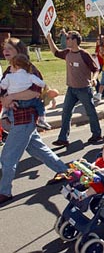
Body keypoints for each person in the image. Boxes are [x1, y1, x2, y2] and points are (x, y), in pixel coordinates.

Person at [0, 37, 68, 205]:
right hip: (15, 117)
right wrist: (5, 99)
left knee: (8, 156)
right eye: (4, 48)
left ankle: (4, 191)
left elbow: (36, 92)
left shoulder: (30, 69)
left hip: (25, 118)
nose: (5, 51)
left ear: (20, 51)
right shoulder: (9, 70)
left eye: (9, 48)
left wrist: (12, 96)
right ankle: (65, 171)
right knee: (38, 149)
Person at [46, 31, 102, 146]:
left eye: (68, 38)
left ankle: (97, 134)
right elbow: (55, 52)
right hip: (71, 89)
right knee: (66, 113)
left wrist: (94, 79)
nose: (66, 40)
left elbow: (96, 69)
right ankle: (63, 138)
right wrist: (49, 39)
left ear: (75, 40)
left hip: (84, 89)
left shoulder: (84, 54)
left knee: (90, 112)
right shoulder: (67, 53)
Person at [0, 54, 51, 130]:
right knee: (40, 104)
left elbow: (3, 87)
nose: (10, 68)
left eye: (11, 66)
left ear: (16, 66)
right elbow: (41, 83)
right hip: (29, 101)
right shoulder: (30, 75)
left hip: (15, 102)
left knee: (6, 96)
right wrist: (46, 87)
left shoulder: (9, 76)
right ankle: (41, 119)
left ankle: (5, 112)